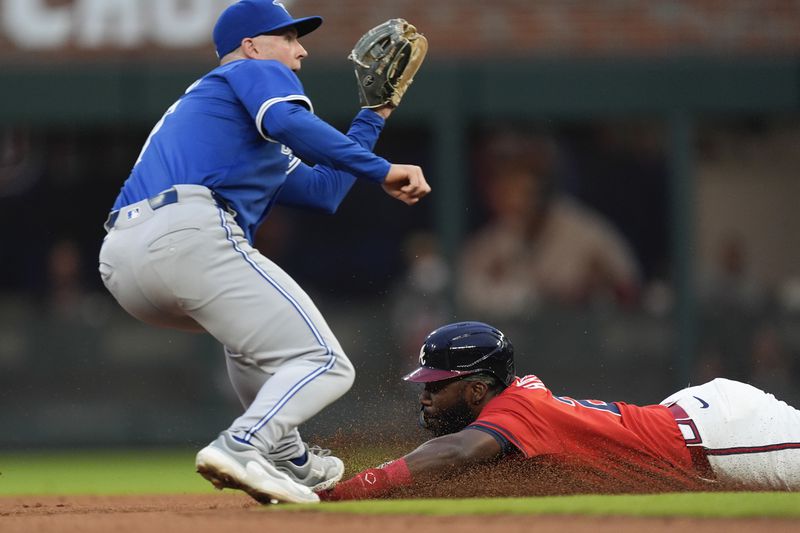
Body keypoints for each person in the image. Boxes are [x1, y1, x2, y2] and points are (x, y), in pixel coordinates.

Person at [97, 0, 430, 505]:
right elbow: (290, 125)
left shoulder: (232, 121)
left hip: (126, 261)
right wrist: (380, 168)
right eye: (289, 38)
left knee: (250, 342)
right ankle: (244, 443)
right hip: (187, 233)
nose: (301, 51)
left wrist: (374, 114)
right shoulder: (252, 71)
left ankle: (286, 458)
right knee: (325, 361)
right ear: (251, 45)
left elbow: (324, 190)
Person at [319, 321, 800, 501]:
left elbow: (451, 454)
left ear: (475, 391)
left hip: (722, 437)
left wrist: (348, 491)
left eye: (436, 385)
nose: (423, 396)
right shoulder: (509, 404)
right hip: (691, 419)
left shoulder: (517, 414)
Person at [459, 133, 641, 317]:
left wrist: (597, 289)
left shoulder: (587, 234)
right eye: (504, 179)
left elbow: (631, 294)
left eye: (523, 177)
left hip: (579, 339)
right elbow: (464, 295)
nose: (511, 191)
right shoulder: (493, 241)